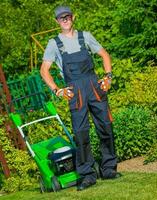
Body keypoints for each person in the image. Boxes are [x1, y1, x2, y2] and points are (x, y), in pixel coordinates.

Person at [40, 5, 119, 191]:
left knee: (106, 127)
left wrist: (108, 76)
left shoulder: (86, 36)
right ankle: (87, 175)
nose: (65, 20)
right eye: (61, 18)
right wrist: (57, 90)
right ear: (57, 21)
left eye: (67, 16)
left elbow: (104, 55)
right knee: (81, 133)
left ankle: (109, 169)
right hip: (75, 91)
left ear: (72, 17)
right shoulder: (54, 43)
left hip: (94, 86)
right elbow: (44, 70)